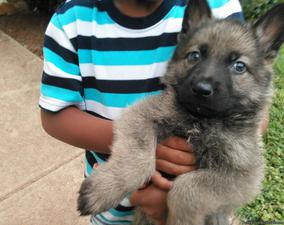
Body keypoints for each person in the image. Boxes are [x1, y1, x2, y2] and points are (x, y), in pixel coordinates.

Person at [39, 0, 264, 225]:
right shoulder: (72, 20)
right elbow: (54, 116)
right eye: (195, 56)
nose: (205, 83)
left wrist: (179, 198)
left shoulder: (221, 6)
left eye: (238, 67)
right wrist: (138, 158)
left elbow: (247, 161)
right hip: (115, 210)